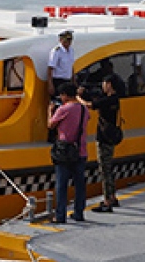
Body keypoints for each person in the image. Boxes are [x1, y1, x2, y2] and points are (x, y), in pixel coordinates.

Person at [78, 73, 123, 213]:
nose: (102, 86)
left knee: (104, 170)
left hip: (104, 138)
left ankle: (107, 201)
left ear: (109, 84)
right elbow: (97, 101)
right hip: (110, 136)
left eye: (104, 83)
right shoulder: (114, 99)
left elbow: (89, 105)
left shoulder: (109, 100)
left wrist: (77, 97)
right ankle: (112, 197)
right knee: (108, 168)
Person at [47, 83, 89, 224]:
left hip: (64, 151)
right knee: (80, 184)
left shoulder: (63, 109)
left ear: (65, 95)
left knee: (62, 184)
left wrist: (50, 111)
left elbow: (50, 125)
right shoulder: (83, 109)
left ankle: (60, 215)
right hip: (80, 150)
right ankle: (79, 212)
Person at [47, 30, 75, 98]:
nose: (69, 42)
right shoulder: (56, 51)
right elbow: (50, 68)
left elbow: (71, 66)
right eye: (66, 40)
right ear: (60, 40)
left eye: (70, 40)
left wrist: (73, 80)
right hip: (58, 81)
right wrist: (50, 84)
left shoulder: (71, 50)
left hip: (68, 80)